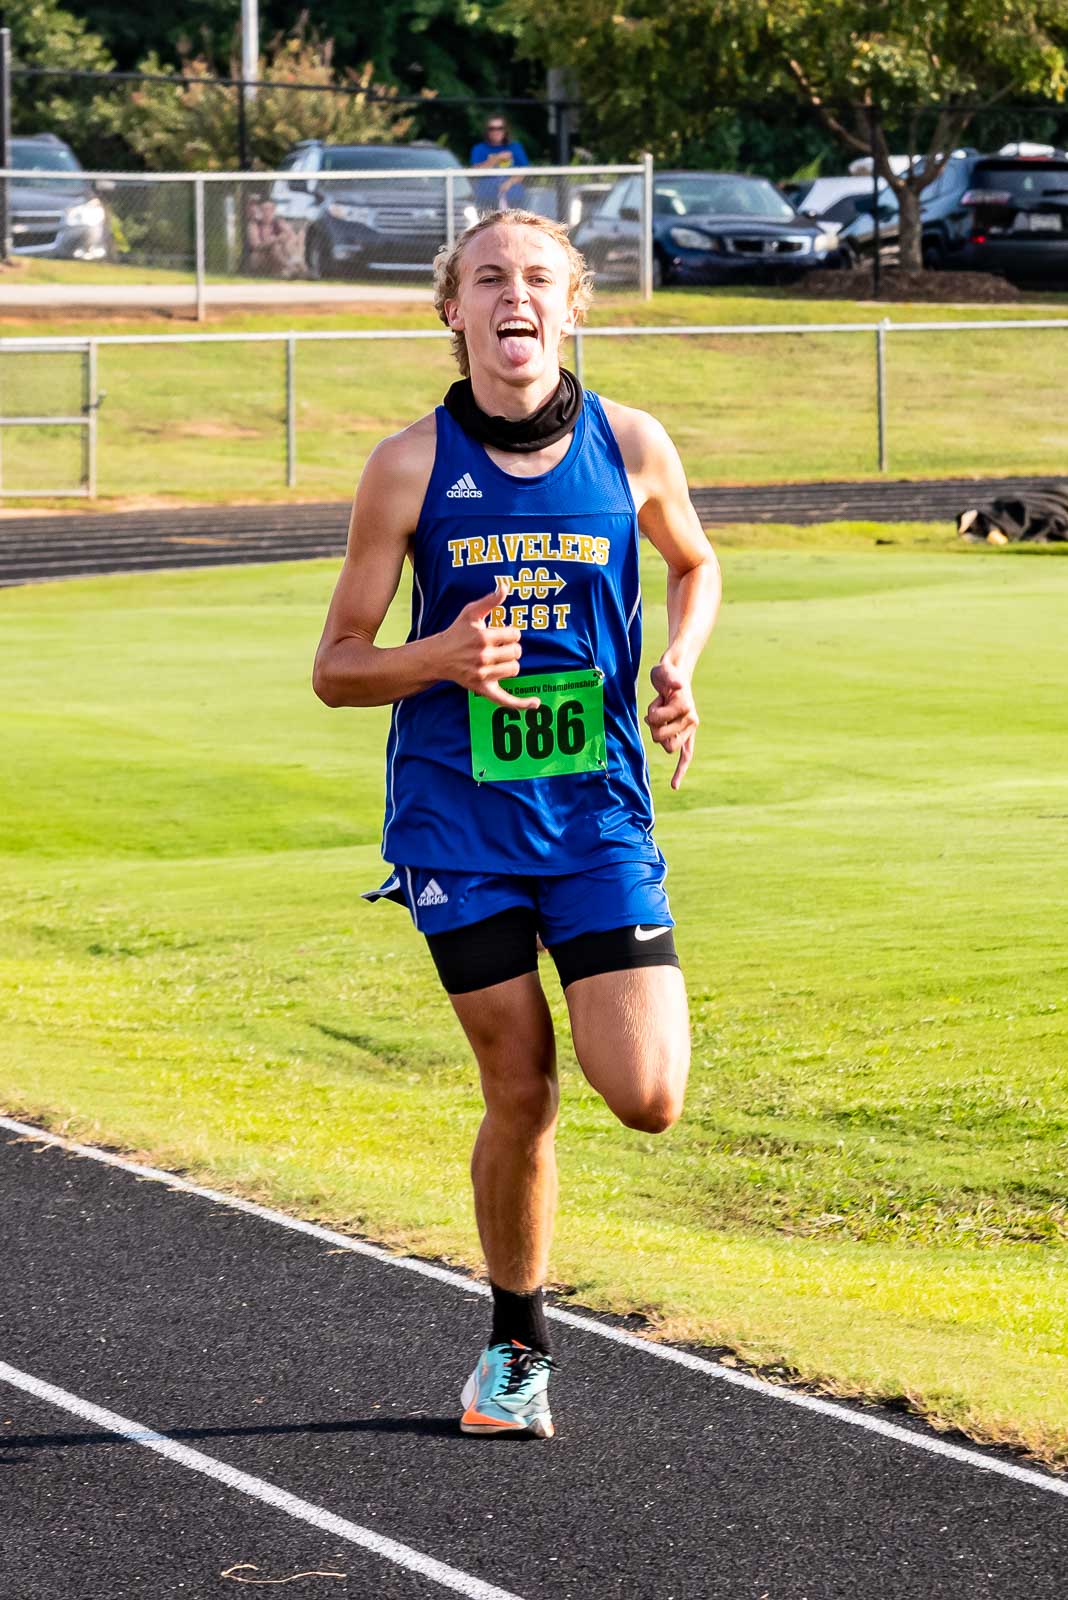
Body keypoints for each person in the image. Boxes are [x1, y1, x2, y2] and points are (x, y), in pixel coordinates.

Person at [312, 209, 721, 1438]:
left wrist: (679, 664)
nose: (514, 295)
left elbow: (696, 563)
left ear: (572, 305)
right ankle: (515, 1347)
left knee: (647, 1094)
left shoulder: (631, 443)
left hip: (594, 814)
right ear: (454, 310)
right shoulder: (408, 466)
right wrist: (437, 656)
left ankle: (517, 1338)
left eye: (538, 277)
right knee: (523, 1088)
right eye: (488, 277)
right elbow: (338, 666)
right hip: (458, 824)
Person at [469, 115, 530, 212]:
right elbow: (475, 172)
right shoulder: (479, 149)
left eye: (500, 128)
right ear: (487, 131)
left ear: (505, 130)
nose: (496, 131)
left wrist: (509, 183)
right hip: (486, 199)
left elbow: (524, 171)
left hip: (514, 198)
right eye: (492, 128)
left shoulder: (515, 147)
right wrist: (497, 158)